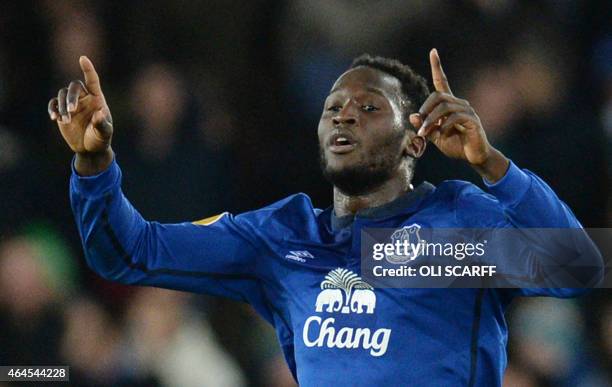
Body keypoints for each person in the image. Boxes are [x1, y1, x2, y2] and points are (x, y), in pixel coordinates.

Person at [48, 49, 603, 386]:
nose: (345, 116)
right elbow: (128, 252)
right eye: (333, 107)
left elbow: (576, 267)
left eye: (368, 108)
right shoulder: (280, 237)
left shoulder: (456, 225)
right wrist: (94, 163)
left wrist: (493, 164)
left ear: (416, 139)